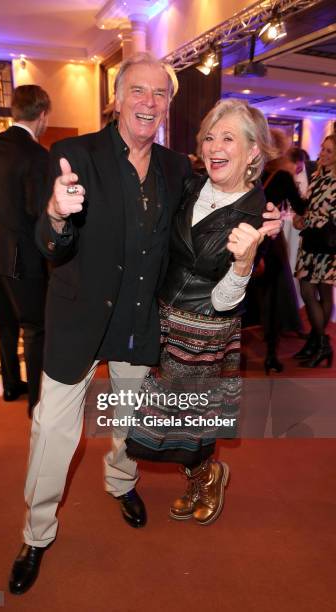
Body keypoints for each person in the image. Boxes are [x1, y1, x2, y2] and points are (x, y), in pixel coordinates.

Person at [8, 53, 281, 596]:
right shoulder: (73, 154)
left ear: (169, 107)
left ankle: (121, 482)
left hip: (139, 325)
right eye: (138, 91)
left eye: (160, 95)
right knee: (52, 433)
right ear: (116, 97)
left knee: (126, 424)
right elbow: (48, 242)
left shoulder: (179, 169)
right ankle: (36, 535)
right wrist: (58, 215)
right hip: (77, 323)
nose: (148, 103)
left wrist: (262, 223)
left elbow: (216, 210)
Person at [125, 98, 275, 525]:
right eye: (210, 136)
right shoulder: (189, 186)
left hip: (205, 331)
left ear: (252, 153)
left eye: (228, 137)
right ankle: (205, 477)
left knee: (190, 422)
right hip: (163, 320)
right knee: (171, 421)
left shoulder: (255, 214)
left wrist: (244, 263)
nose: (214, 146)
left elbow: (225, 302)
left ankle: (206, 478)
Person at [0, 85, 51, 412]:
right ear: (42, 115)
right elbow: (37, 209)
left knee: (5, 322)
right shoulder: (37, 155)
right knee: (34, 327)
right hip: (22, 255)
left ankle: (11, 386)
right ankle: (37, 402)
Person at [252, 137, 307, 374]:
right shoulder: (283, 177)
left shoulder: (253, 172)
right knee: (274, 296)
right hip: (271, 241)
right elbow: (302, 207)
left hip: (250, 238)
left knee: (255, 294)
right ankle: (271, 355)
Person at [293, 134, 336, 367]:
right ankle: (317, 341)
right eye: (323, 148)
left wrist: (315, 219)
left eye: (329, 151)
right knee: (309, 291)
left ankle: (321, 344)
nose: (323, 153)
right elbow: (308, 206)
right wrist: (301, 218)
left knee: (318, 292)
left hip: (326, 246)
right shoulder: (318, 175)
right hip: (310, 242)